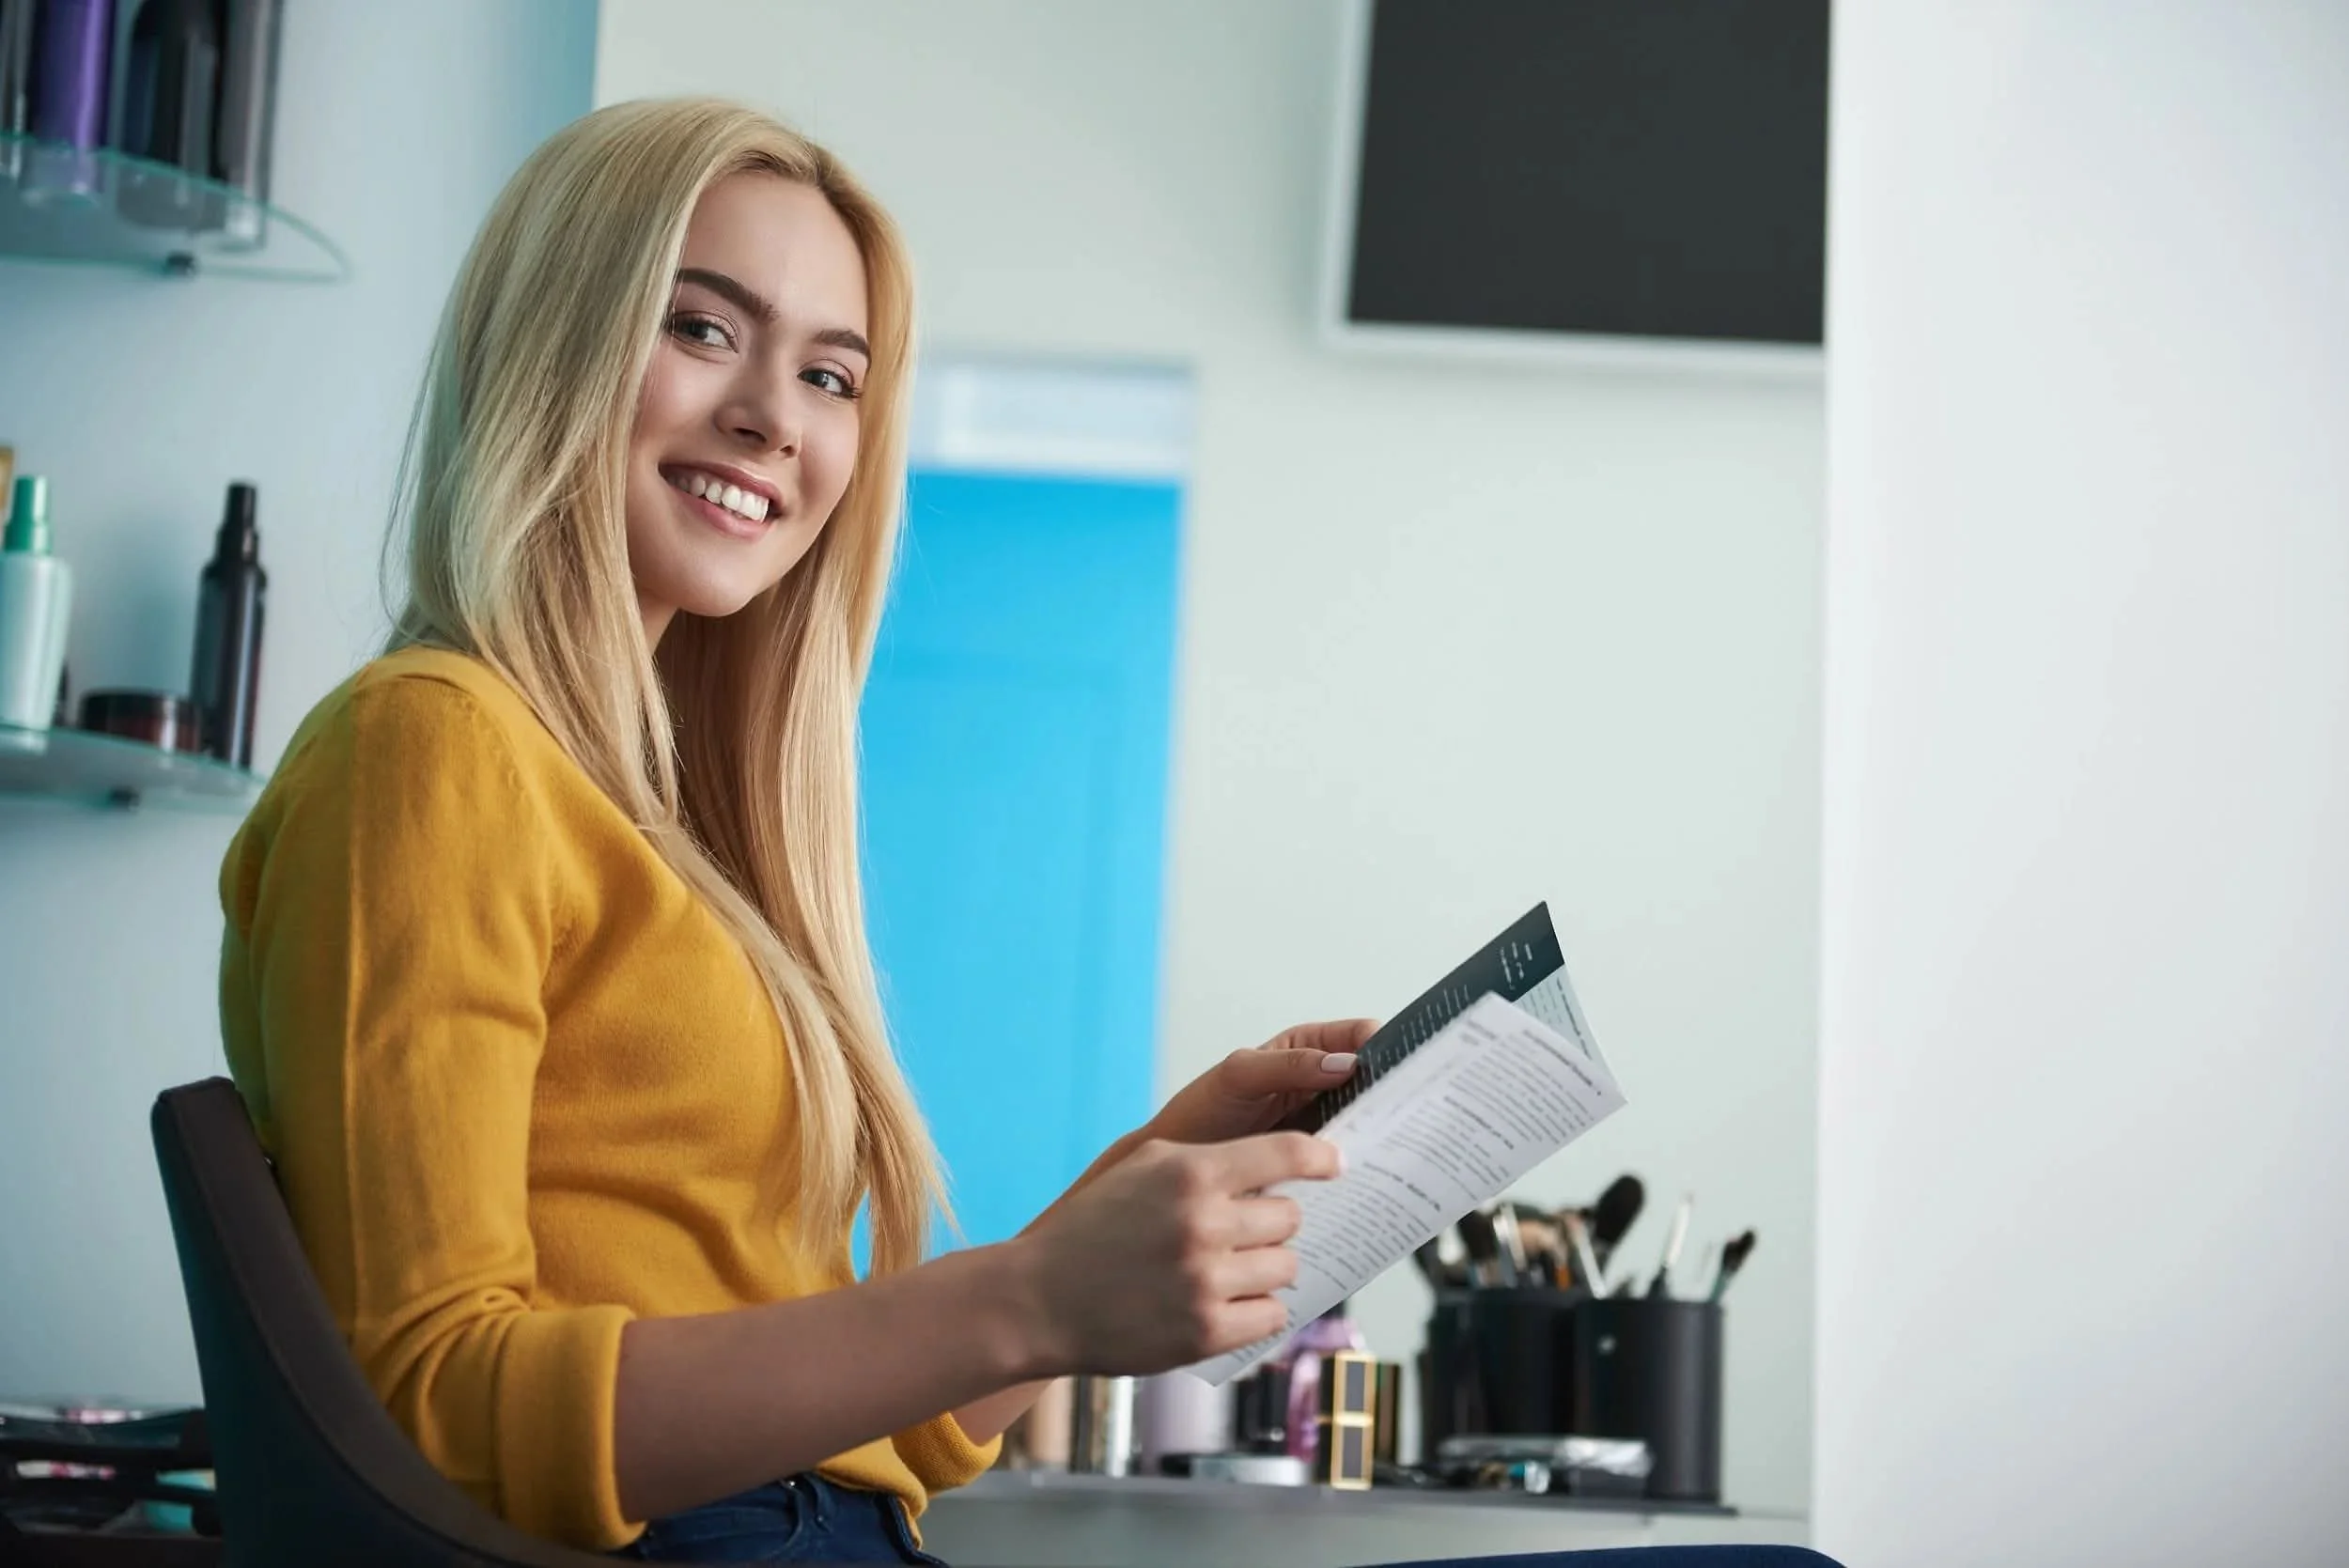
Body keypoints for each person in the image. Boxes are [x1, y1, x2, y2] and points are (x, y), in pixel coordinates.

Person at [216, 98, 1840, 1568]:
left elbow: (884, 1437)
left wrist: (1109, 1229)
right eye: (705, 328)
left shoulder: (674, 833)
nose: (778, 420)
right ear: (553, 343)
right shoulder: (432, 748)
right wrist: (1022, 1294)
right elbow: (430, 1402)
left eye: (833, 377)